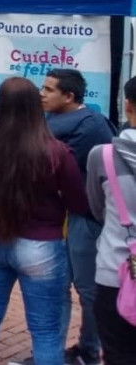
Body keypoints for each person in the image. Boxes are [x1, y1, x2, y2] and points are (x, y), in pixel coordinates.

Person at [0, 77, 89, 365]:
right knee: (46, 332)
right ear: (34, 109)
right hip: (40, 246)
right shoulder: (56, 153)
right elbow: (77, 202)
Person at [42, 68, 115, 365]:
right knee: (59, 286)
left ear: (69, 96)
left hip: (86, 219)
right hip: (63, 217)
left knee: (87, 289)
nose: (42, 94)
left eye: (48, 89)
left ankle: (90, 350)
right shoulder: (53, 121)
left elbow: (54, 169)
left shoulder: (90, 126)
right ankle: (53, 354)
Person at [85, 76, 136, 363]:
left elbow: (97, 208)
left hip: (116, 273)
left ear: (127, 105)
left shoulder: (102, 156)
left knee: (118, 354)